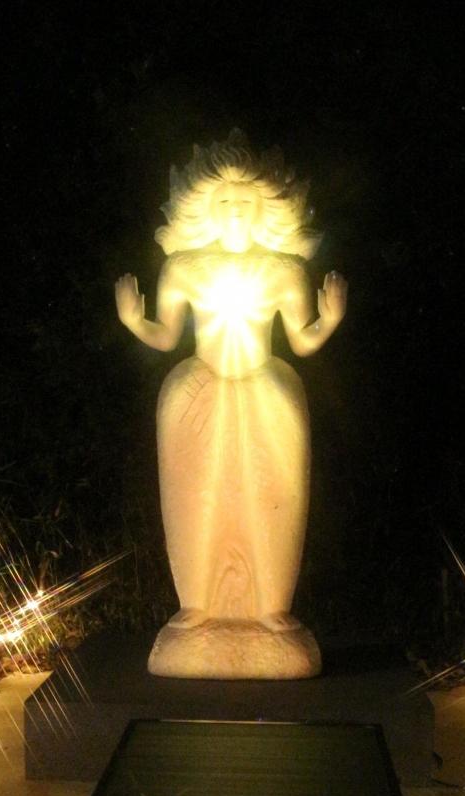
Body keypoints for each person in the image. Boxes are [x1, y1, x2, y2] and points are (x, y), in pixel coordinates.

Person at [116, 131, 347, 675]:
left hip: (267, 389)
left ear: (268, 206)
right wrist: (132, 319)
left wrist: (330, 318)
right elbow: (165, 334)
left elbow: (302, 340)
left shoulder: (284, 269)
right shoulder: (184, 267)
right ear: (204, 207)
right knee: (194, 494)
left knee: (274, 492)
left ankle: (272, 608)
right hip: (198, 388)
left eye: (246, 200)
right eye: (224, 200)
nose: (236, 210)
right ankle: (196, 605)